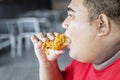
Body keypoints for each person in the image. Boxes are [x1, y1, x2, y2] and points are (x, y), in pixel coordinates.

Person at [31, 0, 120, 80]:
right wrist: (48, 64)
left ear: (102, 25)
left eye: (71, 15)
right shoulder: (85, 60)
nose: (64, 24)